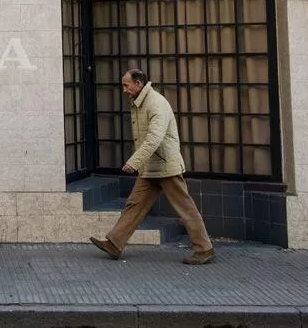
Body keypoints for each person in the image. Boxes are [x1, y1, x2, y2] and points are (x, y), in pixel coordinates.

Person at [89, 69, 215, 265]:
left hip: (166, 166)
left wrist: (134, 162)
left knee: (185, 208)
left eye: (126, 85)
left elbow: (153, 138)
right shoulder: (141, 101)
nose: (124, 90)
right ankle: (115, 243)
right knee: (135, 204)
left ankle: (204, 249)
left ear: (139, 84)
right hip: (151, 167)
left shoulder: (156, 103)